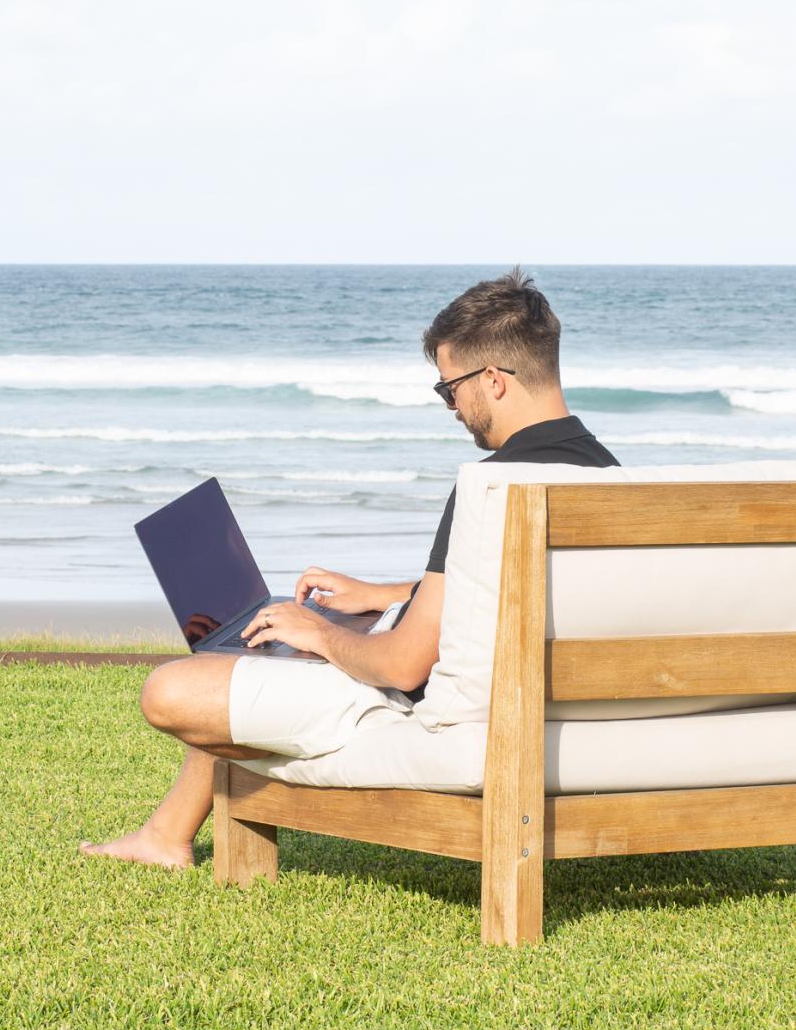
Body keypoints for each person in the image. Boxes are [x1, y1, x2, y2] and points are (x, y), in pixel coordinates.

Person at [80, 269, 618, 868]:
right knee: (265, 650)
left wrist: (322, 634)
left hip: (434, 713)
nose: (452, 408)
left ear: (492, 380)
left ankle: (166, 834)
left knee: (174, 689)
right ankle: (165, 833)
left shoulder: (491, 487)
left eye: (449, 389)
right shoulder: (608, 477)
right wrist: (380, 596)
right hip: (551, 706)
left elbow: (406, 662)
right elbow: (516, 588)